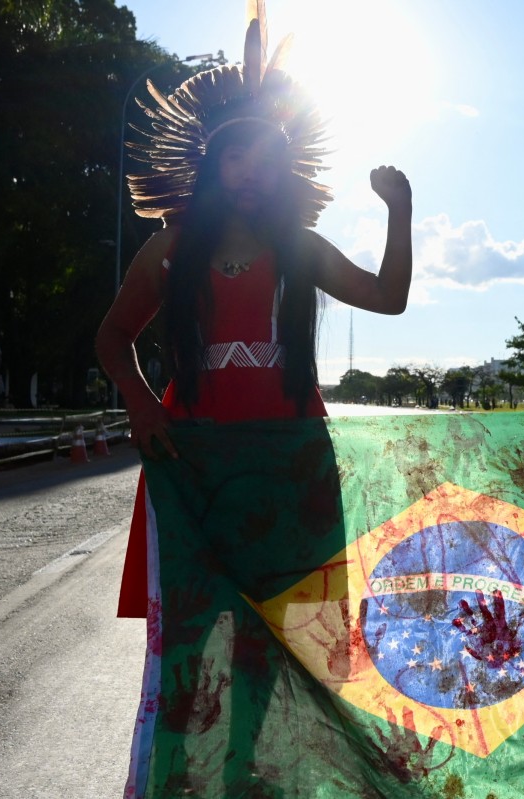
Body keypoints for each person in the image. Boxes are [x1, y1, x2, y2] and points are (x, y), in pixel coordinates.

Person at [94, 12, 412, 795]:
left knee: (285, 628)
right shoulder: (167, 249)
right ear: (212, 165)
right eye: (235, 154)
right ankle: (175, 775)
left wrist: (399, 212)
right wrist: (142, 404)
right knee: (194, 634)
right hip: (194, 461)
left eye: (264, 157)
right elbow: (112, 337)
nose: (249, 170)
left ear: (282, 170)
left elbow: (389, 297)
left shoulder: (299, 246)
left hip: (293, 458)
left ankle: (252, 771)